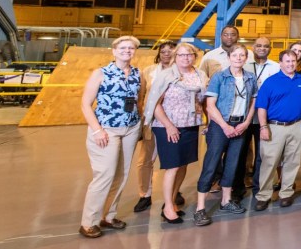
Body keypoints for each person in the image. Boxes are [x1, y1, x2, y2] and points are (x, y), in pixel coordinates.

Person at [78, 36, 142, 238]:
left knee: (121, 175)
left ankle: (109, 215)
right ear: (114, 51)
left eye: (131, 48)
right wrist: (97, 130)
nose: (127, 51)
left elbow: (137, 101)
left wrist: (139, 126)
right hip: (106, 129)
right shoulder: (101, 73)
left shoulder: (137, 74)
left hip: (130, 128)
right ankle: (89, 221)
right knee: (104, 175)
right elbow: (85, 104)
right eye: (122, 48)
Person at [144, 42, 208, 224]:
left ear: (194, 57)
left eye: (189, 54)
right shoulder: (167, 75)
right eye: (181, 55)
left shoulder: (200, 75)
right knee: (172, 166)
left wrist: (207, 121)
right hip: (167, 126)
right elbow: (155, 103)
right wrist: (169, 126)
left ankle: (171, 200)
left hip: (190, 125)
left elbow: (202, 101)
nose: (186, 58)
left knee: (183, 165)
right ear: (175, 57)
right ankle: (168, 207)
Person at [194, 44, 255, 226]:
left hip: (240, 125)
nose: (238, 58)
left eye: (241, 55)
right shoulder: (219, 77)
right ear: (229, 58)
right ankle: (200, 207)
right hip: (221, 125)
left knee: (233, 163)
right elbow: (210, 105)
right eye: (235, 55)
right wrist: (224, 126)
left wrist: (245, 123)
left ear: (245, 58)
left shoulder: (250, 78)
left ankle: (226, 200)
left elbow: (253, 102)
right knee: (212, 162)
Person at [253, 50, 301, 211]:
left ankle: (286, 193)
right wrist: (263, 127)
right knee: (270, 161)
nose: (290, 64)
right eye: (287, 61)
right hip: (274, 127)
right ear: (280, 63)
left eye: (293, 61)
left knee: (292, 161)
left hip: (296, 125)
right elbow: (261, 107)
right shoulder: (271, 82)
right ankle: (264, 195)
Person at [133, 41, 175, 213]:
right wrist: (141, 121)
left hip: (173, 122)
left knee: (174, 161)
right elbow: (141, 97)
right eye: (163, 51)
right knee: (145, 160)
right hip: (151, 122)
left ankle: (173, 192)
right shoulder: (148, 72)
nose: (166, 54)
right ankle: (145, 194)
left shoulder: (181, 72)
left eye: (170, 51)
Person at [243, 37, 280, 198]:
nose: (262, 48)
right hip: (244, 117)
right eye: (258, 45)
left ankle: (259, 188)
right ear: (253, 47)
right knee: (240, 153)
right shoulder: (243, 65)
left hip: (265, 118)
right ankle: (238, 188)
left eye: (266, 46)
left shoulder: (276, 67)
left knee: (262, 154)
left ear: (270, 48)